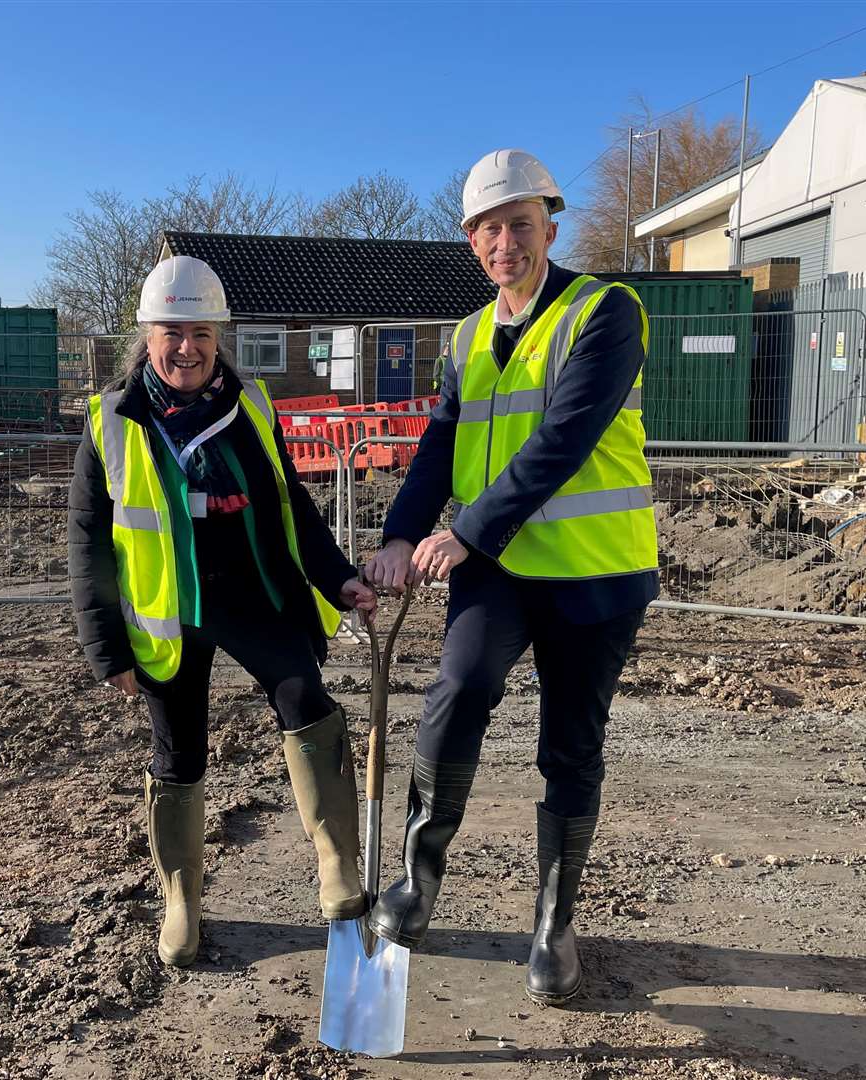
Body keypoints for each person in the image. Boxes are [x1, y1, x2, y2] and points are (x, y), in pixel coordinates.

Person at [365, 149, 658, 1005]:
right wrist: (397, 535)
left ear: (550, 229)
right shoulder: (464, 335)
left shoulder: (604, 311)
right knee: (455, 694)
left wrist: (467, 530)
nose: (506, 243)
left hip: (593, 573)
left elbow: (564, 438)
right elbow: (437, 447)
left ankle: (554, 923)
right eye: (489, 229)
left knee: (571, 744)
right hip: (495, 571)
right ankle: (420, 880)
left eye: (521, 225)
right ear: (470, 241)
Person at [68, 256, 376, 967]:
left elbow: (293, 507)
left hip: (254, 594)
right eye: (172, 331)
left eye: (201, 331)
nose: (187, 347)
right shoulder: (109, 421)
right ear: (146, 335)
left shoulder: (254, 406)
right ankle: (182, 902)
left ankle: (337, 865)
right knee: (177, 753)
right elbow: (88, 541)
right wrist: (104, 646)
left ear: (219, 337)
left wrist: (337, 579)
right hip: (168, 612)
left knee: (306, 700)